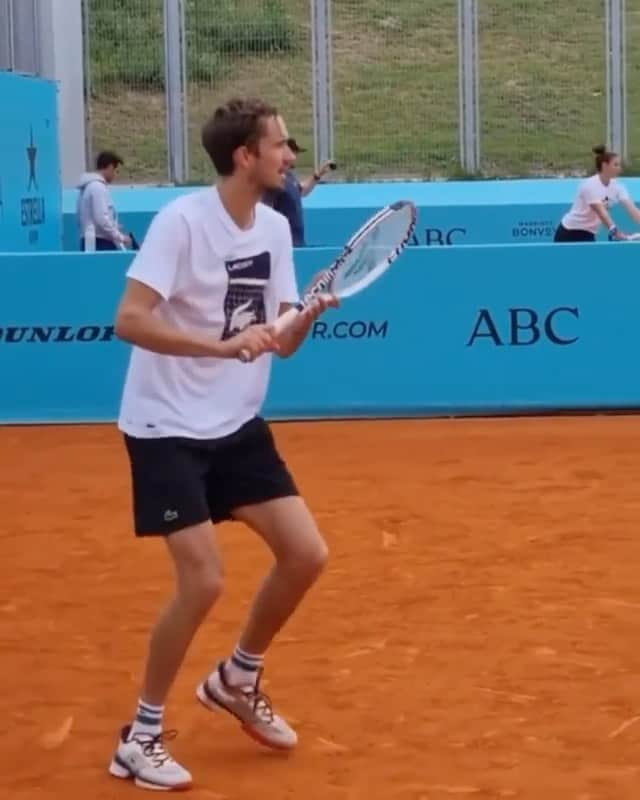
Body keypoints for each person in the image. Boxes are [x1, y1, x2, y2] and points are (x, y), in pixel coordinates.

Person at [108, 97, 338, 792]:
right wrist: (220, 344)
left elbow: (283, 343)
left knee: (305, 554)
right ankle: (139, 737)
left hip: (235, 424)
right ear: (245, 156)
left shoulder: (272, 228)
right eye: (280, 145)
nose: (290, 156)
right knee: (204, 579)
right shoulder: (182, 223)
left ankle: (238, 676)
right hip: (165, 427)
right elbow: (129, 320)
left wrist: (308, 316)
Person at [554, 145, 640, 243]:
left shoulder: (618, 187)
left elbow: (633, 211)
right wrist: (615, 232)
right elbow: (602, 212)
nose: (619, 168)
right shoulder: (589, 185)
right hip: (569, 232)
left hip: (589, 233)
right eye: (615, 165)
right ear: (604, 165)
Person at [262, 131, 335, 246]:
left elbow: (302, 190)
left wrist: (318, 175)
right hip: (284, 243)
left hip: (298, 241)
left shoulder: (289, 176)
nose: (295, 157)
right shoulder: (272, 180)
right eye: (294, 153)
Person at [77, 150, 132, 251]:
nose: (115, 175)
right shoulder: (97, 187)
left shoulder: (88, 187)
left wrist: (113, 226)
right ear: (110, 167)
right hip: (100, 244)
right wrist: (120, 237)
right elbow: (101, 219)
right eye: (116, 171)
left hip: (92, 241)